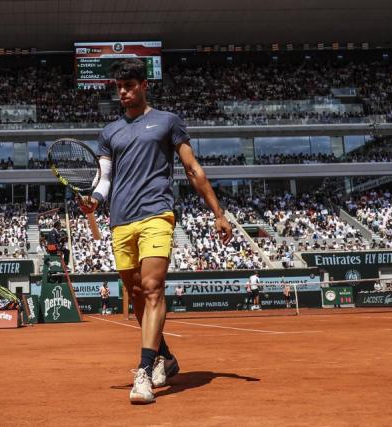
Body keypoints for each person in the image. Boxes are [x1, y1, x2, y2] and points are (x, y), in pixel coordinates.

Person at [80, 58, 232, 404]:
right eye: (119, 86)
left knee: (152, 289)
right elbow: (104, 180)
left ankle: (144, 372)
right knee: (135, 293)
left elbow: (192, 169)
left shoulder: (168, 122)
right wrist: (94, 201)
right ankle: (166, 356)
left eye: (129, 85)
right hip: (120, 219)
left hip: (156, 214)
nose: (123, 92)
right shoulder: (109, 133)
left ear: (144, 85)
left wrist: (218, 213)